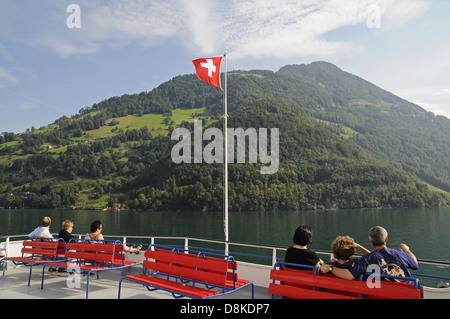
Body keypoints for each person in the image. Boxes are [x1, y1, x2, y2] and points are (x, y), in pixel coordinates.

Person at [320, 226, 418, 280]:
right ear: (386, 239)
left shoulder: (367, 260)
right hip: (408, 292)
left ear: (370, 241)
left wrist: (330, 267)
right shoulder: (401, 253)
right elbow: (415, 265)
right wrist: (407, 250)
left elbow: (349, 275)